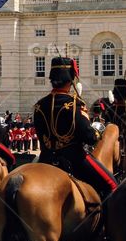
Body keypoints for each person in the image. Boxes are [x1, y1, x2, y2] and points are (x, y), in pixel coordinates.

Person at [33, 57, 118, 198]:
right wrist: (98, 131)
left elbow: (41, 136)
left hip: (46, 159)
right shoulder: (74, 104)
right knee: (112, 185)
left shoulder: (39, 105)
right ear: (71, 80)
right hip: (74, 160)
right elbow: (89, 138)